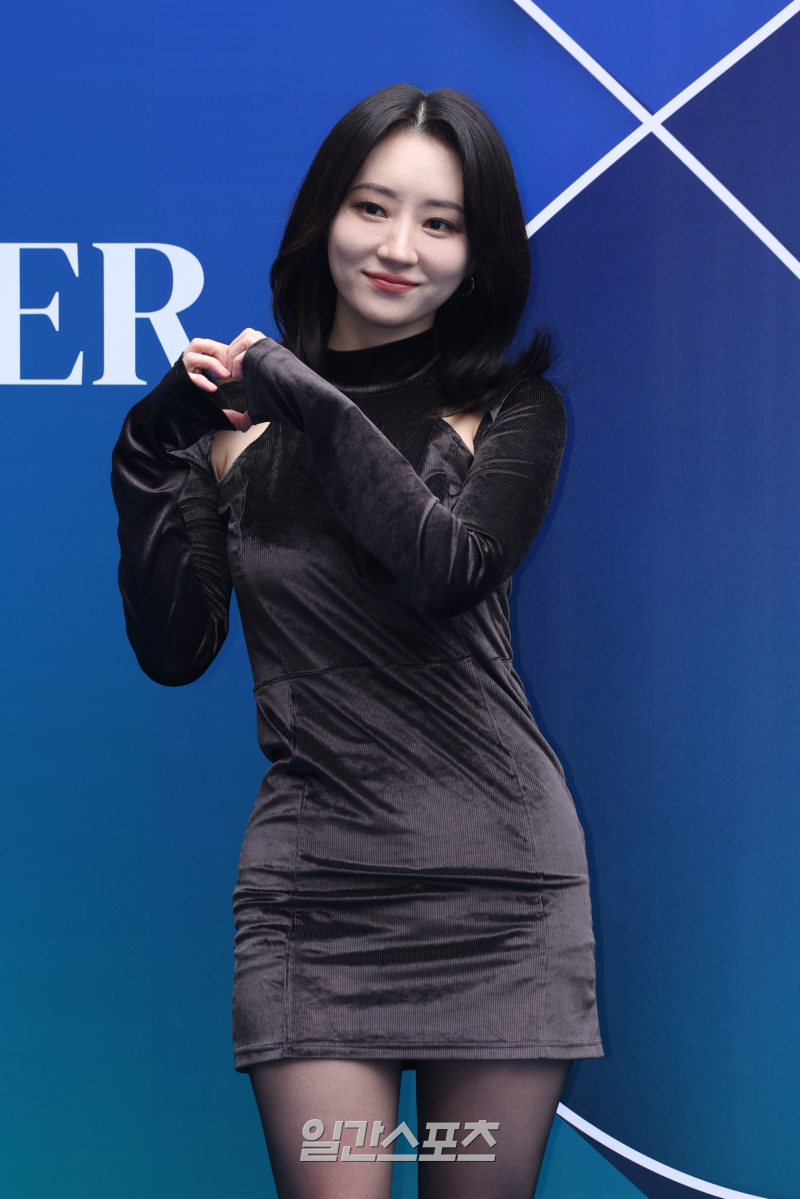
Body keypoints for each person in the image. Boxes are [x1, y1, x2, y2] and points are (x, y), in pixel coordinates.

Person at [111, 84, 602, 1199]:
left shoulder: (514, 409)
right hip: (315, 899)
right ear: (321, 215)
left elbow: (444, 570)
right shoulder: (229, 431)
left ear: (479, 253)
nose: (397, 247)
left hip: (504, 891)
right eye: (371, 207)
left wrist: (303, 392)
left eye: (440, 222)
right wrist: (147, 448)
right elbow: (175, 648)